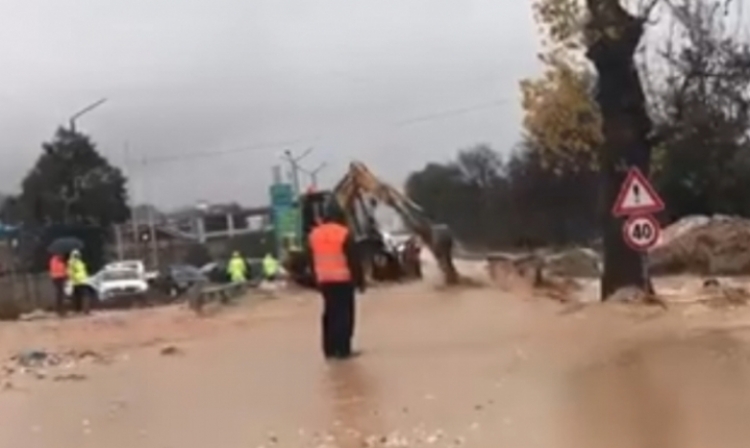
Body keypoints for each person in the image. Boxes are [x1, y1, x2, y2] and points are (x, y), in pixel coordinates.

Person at [309, 205, 365, 360]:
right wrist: (360, 281)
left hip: (324, 281)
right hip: (343, 279)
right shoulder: (343, 233)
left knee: (329, 314)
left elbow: (310, 259)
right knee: (344, 315)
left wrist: (315, 279)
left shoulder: (315, 234)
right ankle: (343, 350)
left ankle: (329, 350)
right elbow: (353, 260)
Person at [67, 250, 90, 314]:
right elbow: (70, 272)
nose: (78, 256)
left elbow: (83, 271)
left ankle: (82, 310)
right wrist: (73, 278)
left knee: (80, 296)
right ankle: (80, 310)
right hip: (77, 281)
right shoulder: (72, 263)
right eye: (76, 255)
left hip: (82, 281)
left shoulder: (79, 262)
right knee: (80, 296)